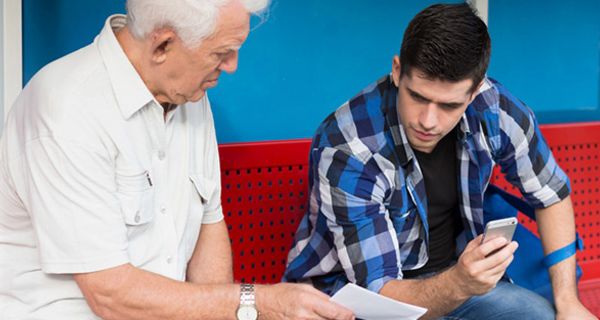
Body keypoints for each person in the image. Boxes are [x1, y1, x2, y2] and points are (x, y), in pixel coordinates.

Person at [0, 1, 355, 319]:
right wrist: (256, 303)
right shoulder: (67, 110)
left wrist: (229, 314)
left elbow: (208, 224)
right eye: (221, 53)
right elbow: (109, 294)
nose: (231, 66)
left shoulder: (189, 94)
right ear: (163, 45)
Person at [284, 3, 596, 320]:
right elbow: (379, 296)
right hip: (356, 299)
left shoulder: (494, 109)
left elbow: (552, 194)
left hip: (455, 278)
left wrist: (568, 302)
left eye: (448, 105)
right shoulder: (349, 146)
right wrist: (460, 283)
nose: (428, 121)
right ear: (397, 70)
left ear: (474, 92)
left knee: (538, 315)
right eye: (418, 97)